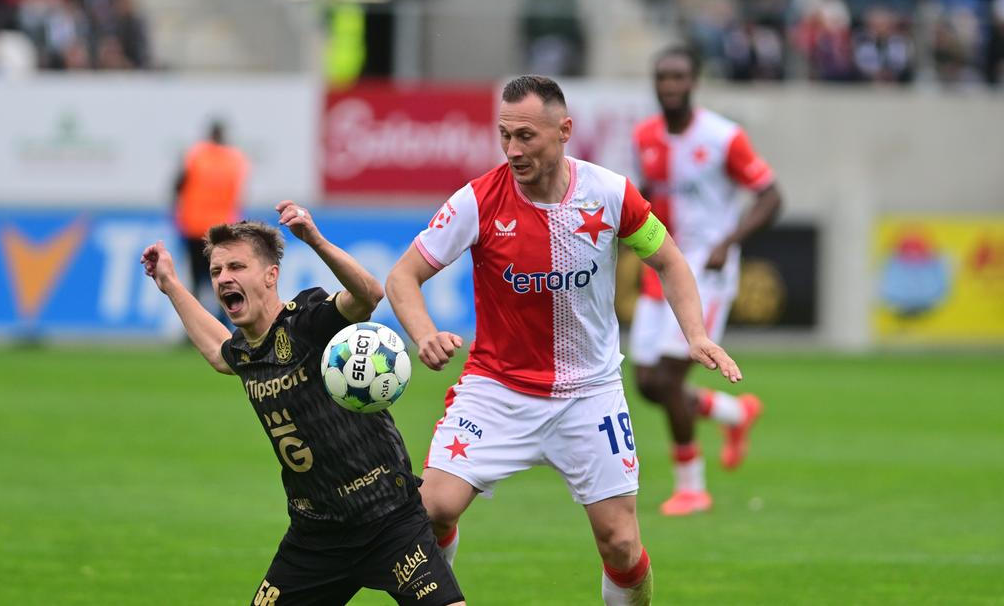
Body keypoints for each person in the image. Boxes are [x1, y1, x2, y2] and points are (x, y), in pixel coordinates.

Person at [386, 75, 742, 605]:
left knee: (621, 543)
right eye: (504, 135)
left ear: (565, 130)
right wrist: (423, 334)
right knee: (432, 508)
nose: (512, 150)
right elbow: (402, 276)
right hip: (497, 390)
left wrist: (695, 334)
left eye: (526, 136)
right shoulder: (477, 201)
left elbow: (668, 259)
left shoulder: (610, 193)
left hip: (589, 394)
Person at [140, 203, 465, 606]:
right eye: (216, 271)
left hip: (387, 519)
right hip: (315, 536)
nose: (224, 278)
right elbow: (217, 351)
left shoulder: (307, 321)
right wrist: (170, 282)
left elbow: (368, 294)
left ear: (270, 275)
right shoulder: (245, 350)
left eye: (236, 267)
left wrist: (313, 239)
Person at [629, 45, 782, 517]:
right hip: (663, 265)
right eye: (662, 77)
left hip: (709, 272)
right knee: (647, 383)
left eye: (678, 76)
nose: (670, 85)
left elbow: (772, 197)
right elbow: (645, 199)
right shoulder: (645, 136)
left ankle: (692, 486)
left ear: (694, 80)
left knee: (672, 375)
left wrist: (728, 241)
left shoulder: (723, 137)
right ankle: (734, 414)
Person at [173, 120, 248, 308]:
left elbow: (178, 185)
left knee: (196, 277)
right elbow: (237, 193)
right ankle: (226, 318)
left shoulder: (196, 156)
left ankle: (195, 322)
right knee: (225, 275)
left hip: (194, 225)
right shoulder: (235, 160)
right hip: (222, 228)